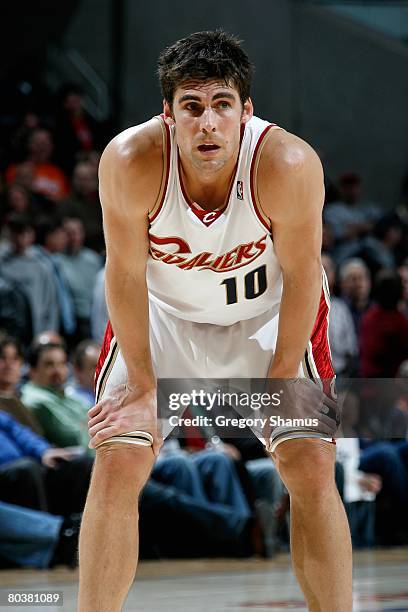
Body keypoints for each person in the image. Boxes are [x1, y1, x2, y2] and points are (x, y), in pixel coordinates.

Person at [78, 31, 351, 612]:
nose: (208, 123)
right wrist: (146, 386)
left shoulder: (288, 163)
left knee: (308, 460)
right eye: (193, 107)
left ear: (246, 111)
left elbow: (304, 277)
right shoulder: (129, 161)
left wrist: (281, 379)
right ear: (169, 114)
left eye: (222, 105)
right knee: (118, 457)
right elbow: (124, 277)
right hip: (164, 318)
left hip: (267, 320)